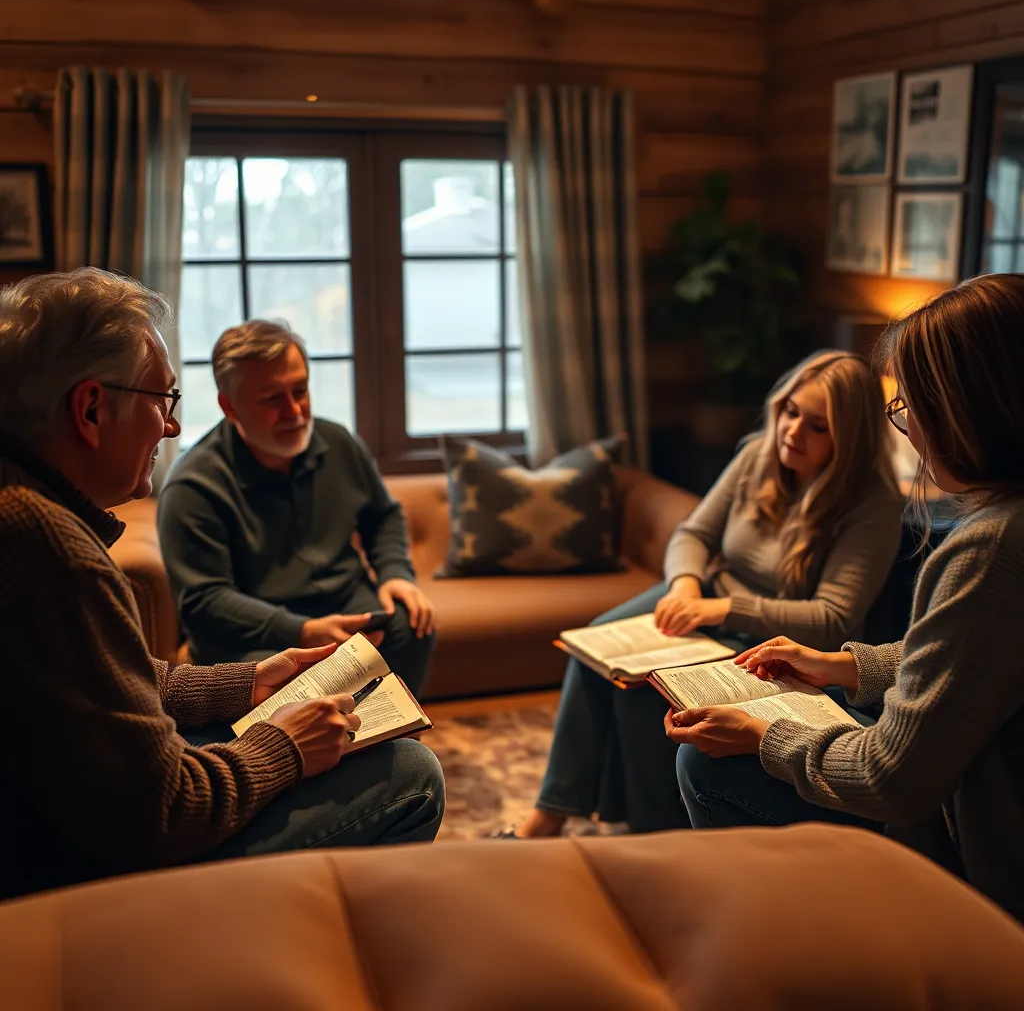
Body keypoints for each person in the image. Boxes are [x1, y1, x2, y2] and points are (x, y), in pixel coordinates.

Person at [0, 269, 444, 901]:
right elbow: (163, 812)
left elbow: (114, 679)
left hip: (81, 815)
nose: (171, 428)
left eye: (301, 391)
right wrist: (283, 743)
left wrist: (250, 682)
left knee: (394, 669)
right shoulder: (52, 549)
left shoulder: (25, 508)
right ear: (91, 409)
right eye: (161, 400)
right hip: (73, 870)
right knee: (410, 774)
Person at [669, 274, 1024, 924]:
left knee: (706, 765)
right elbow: (975, 658)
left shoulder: (991, 548)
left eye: (913, 405)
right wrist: (846, 666)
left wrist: (763, 736)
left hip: (975, 853)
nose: (909, 428)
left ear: (971, 409)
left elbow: (892, 777)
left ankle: (780, 943)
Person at [514, 350, 904, 838]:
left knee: (648, 688)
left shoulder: (873, 503)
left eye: (817, 427)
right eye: (790, 412)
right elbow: (693, 533)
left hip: (775, 640)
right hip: (710, 599)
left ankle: (653, 831)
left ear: (851, 437)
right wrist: (684, 585)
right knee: (596, 642)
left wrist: (721, 608)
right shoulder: (757, 456)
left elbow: (832, 619)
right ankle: (552, 811)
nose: (792, 432)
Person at [158, 319, 436, 696]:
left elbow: (382, 516)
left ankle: (386, 728)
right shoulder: (193, 485)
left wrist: (394, 573)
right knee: (275, 678)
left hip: (344, 604)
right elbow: (205, 600)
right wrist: (301, 631)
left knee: (413, 625)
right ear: (230, 407)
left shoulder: (338, 442)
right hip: (255, 634)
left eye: (300, 391)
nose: (294, 411)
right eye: (272, 398)